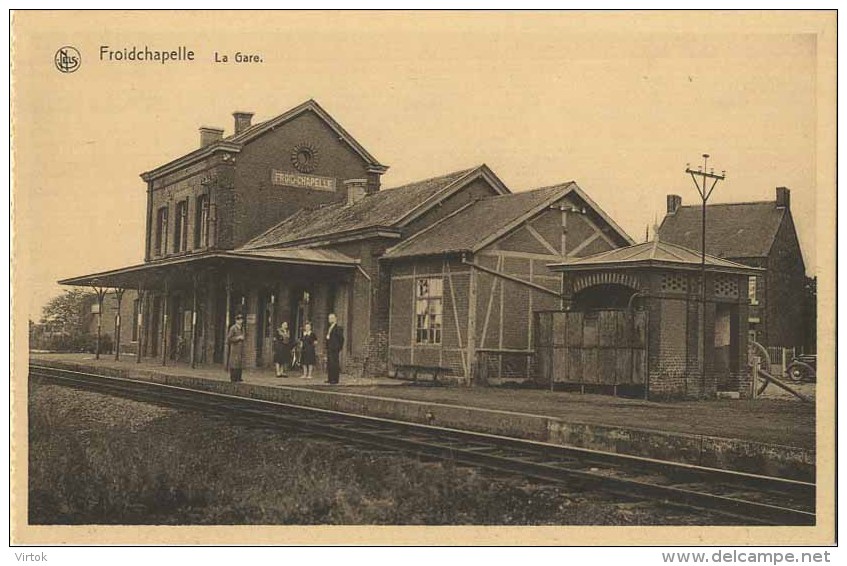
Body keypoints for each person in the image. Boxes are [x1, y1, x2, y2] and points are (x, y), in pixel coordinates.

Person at [325, 313, 344, 385]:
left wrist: (339, 347)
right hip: (330, 348)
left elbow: (341, 339)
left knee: (334, 363)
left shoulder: (338, 328)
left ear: (336, 318)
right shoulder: (330, 327)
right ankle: (330, 378)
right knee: (330, 363)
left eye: (332, 318)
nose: (330, 319)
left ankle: (335, 379)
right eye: (329, 318)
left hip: (335, 348)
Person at [226, 313, 246, 383]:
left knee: (239, 362)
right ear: (236, 321)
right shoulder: (233, 328)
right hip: (234, 348)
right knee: (234, 362)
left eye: (241, 320)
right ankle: (233, 377)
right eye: (239, 320)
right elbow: (229, 338)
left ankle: (239, 377)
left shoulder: (242, 328)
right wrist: (238, 338)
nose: (241, 321)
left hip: (240, 348)